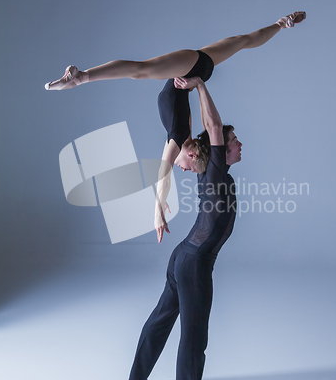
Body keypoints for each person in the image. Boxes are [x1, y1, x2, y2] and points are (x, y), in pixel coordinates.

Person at [44, 12, 306, 241]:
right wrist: (158, 209)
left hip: (201, 67)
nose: (184, 169)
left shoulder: (181, 135)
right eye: (190, 169)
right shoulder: (180, 138)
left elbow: (166, 172)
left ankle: (281, 24)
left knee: (243, 41)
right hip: (189, 68)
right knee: (141, 70)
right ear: (192, 154)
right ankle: (82, 78)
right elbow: (163, 175)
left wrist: (159, 204)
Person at [128, 76, 242, 380]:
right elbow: (213, 126)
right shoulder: (216, 169)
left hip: (183, 256)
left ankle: (137, 374)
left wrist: (186, 95)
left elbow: (194, 132)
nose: (240, 145)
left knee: (163, 317)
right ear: (219, 149)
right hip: (195, 263)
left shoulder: (208, 169)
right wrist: (201, 85)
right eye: (234, 141)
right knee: (194, 336)